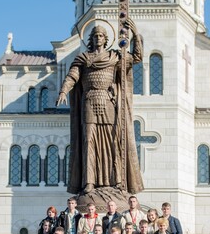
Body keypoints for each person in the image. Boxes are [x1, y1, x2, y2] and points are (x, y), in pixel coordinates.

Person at [57, 20, 144, 196]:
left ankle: (117, 180)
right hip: (89, 100)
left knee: (113, 141)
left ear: (106, 39)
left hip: (108, 101)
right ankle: (89, 182)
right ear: (91, 39)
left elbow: (136, 58)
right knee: (89, 141)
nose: (98, 38)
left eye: (101, 35)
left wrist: (136, 35)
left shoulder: (114, 57)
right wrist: (63, 91)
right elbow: (72, 76)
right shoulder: (83, 58)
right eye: (95, 35)